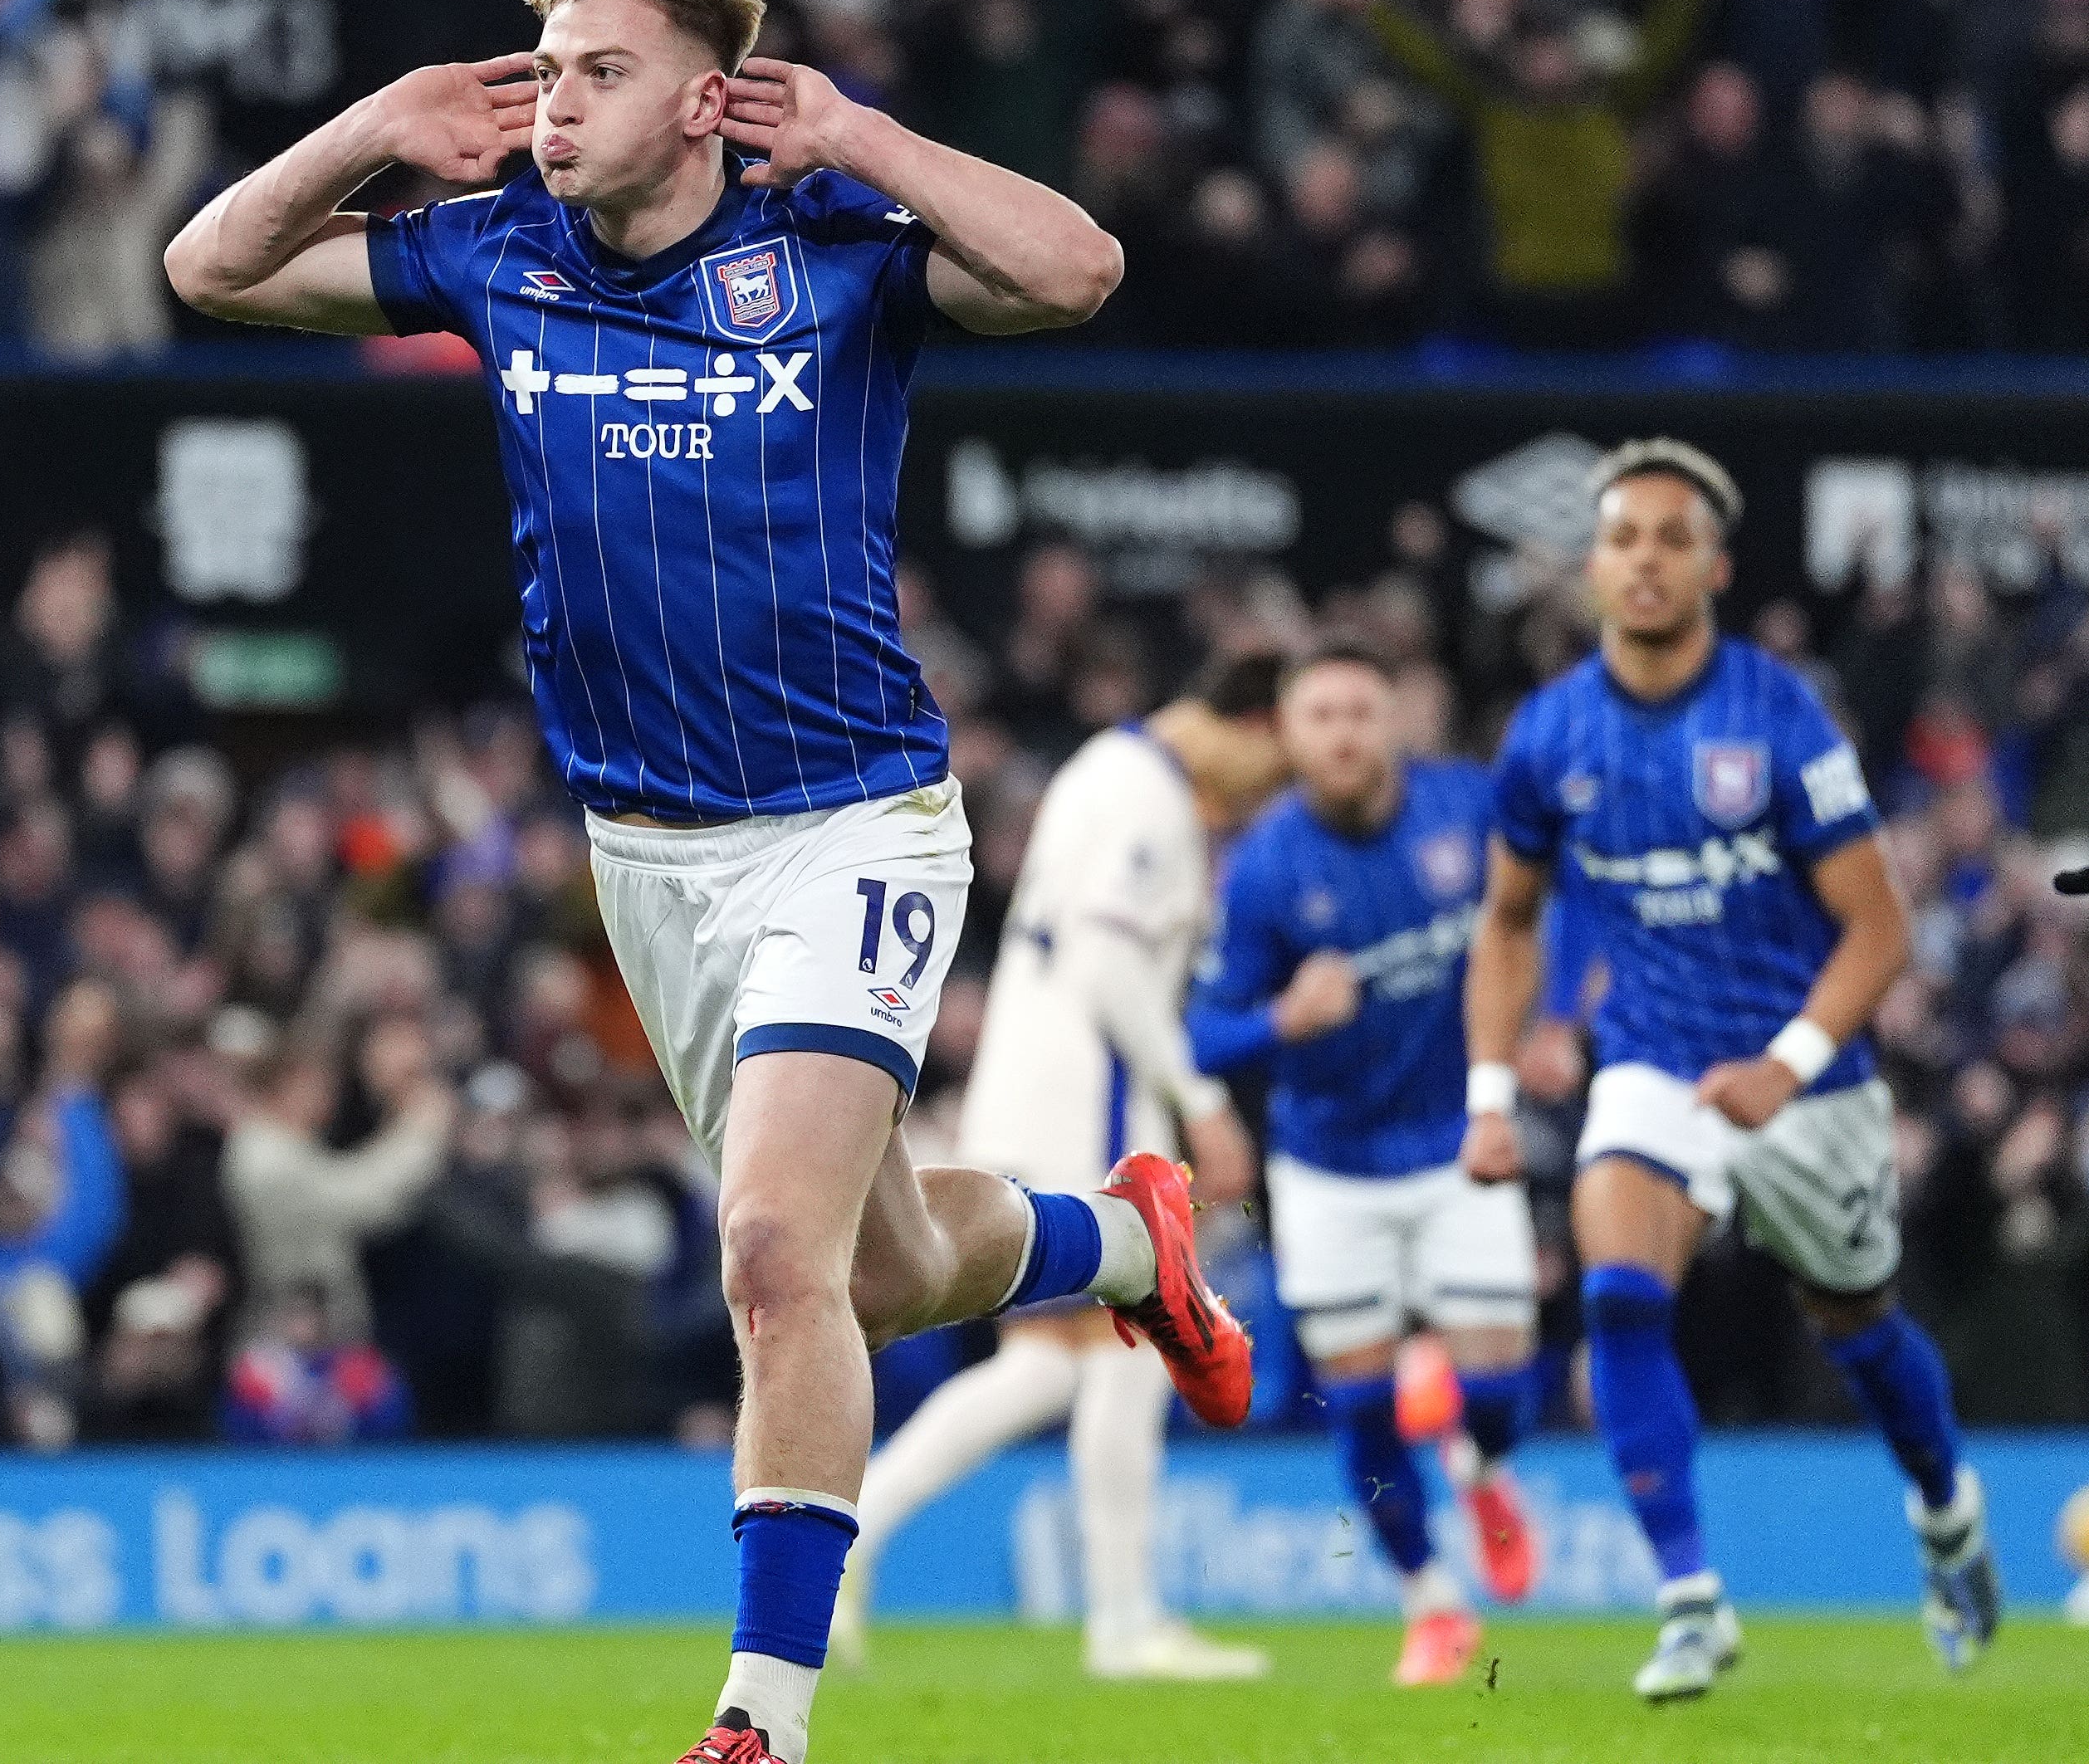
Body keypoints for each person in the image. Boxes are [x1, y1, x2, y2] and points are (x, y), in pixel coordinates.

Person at [164, 0, 1248, 1764]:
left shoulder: (826, 265)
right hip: (646, 861)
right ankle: (1122, 1245)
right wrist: (369, 124)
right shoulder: (493, 257)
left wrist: (865, 137)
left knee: (764, 1258)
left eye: (594, 67)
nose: (551, 98)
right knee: (873, 1271)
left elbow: (1076, 266)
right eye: (543, 63)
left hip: (849, 821)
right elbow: (209, 268)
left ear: (699, 99)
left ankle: (758, 1720)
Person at [1464, 438, 1996, 1701]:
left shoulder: (1777, 712)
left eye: (1669, 536)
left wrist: (1788, 1058)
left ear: (1713, 564)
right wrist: (1490, 1094)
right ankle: (1690, 1596)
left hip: (1806, 1076)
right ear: (1592, 566)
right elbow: (1506, 919)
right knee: (1617, 1292)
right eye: (1622, 537)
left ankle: (1945, 1509)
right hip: (1650, 1060)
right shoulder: (1550, 732)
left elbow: (1880, 926)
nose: (1644, 558)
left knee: (1858, 1322)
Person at [834, 657, 1285, 1683]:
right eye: (1274, 758)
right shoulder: (1147, 792)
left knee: (1047, 1364)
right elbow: (1105, 959)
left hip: (1032, 1084)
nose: (1267, 790)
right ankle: (1123, 1621)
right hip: (1085, 1093)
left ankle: (851, 1533)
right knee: (1135, 1333)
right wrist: (1198, 1097)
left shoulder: (1108, 771)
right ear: (1246, 724)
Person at [1185, 644, 1544, 1686]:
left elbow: (1538, 920)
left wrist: (1551, 1023)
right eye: (1320, 715)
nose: (1342, 731)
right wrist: (1279, 1017)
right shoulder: (1263, 865)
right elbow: (1201, 1033)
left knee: (1494, 1383)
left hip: (1452, 1140)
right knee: (1361, 1403)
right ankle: (1430, 1601)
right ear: (1288, 736)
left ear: (1392, 721)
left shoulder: (1465, 810)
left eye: (1359, 709)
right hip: (1329, 1164)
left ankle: (1480, 1463)